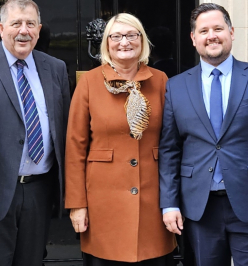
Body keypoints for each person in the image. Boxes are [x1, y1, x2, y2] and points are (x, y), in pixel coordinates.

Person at [158, 3, 248, 266]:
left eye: (218, 28)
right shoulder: (176, 86)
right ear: (193, 38)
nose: (212, 35)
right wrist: (169, 203)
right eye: (204, 30)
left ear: (231, 32)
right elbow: (169, 149)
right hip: (200, 207)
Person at [0, 0, 71, 266]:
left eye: (31, 24)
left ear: (39, 30)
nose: (24, 30)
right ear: (1, 28)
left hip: (39, 191)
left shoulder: (55, 68)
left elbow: (64, 128)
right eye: (16, 23)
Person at [65, 13, 177, 266]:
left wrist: (174, 201)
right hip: (103, 204)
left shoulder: (160, 81)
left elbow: (172, 143)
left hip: (154, 201)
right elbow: (75, 147)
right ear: (106, 43)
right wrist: (77, 205)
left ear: (142, 40)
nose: (124, 42)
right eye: (116, 36)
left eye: (131, 35)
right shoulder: (90, 83)